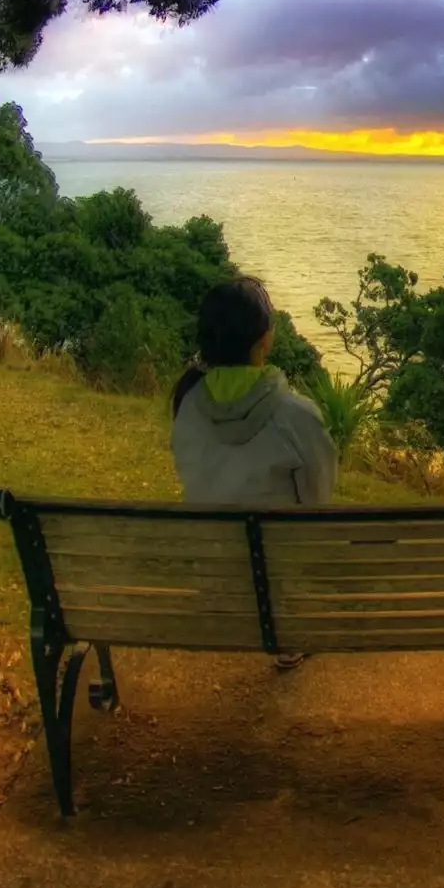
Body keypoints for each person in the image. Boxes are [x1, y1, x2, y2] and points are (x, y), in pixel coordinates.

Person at [170, 275, 337, 670]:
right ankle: (289, 636)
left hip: (212, 573)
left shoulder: (186, 405)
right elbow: (318, 500)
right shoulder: (297, 415)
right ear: (264, 340)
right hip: (278, 579)